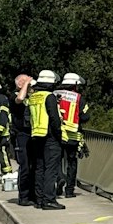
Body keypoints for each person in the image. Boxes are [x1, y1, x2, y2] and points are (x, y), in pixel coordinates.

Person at [30, 68, 66, 210]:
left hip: (36, 135)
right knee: (51, 170)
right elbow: (54, 119)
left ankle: (39, 200)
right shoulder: (49, 96)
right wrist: (59, 135)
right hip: (50, 137)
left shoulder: (34, 96)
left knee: (40, 168)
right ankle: (49, 200)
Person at [57, 72, 85, 198]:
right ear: (75, 85)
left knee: (55, 161)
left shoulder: (55, 94)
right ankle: (69, 191)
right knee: (72, 163)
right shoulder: (79, 98)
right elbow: (85, 116)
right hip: (72, 136)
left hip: (57, 134)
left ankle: (58, 179)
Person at [12, 73, 37, 206]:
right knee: (25, 167)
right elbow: (19, 99)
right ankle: (24, 197)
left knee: (35, 167)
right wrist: (26, 83)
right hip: (22, 135)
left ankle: (34, 195)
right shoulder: (14, 96)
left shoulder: (31, 97)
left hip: (33, 134)